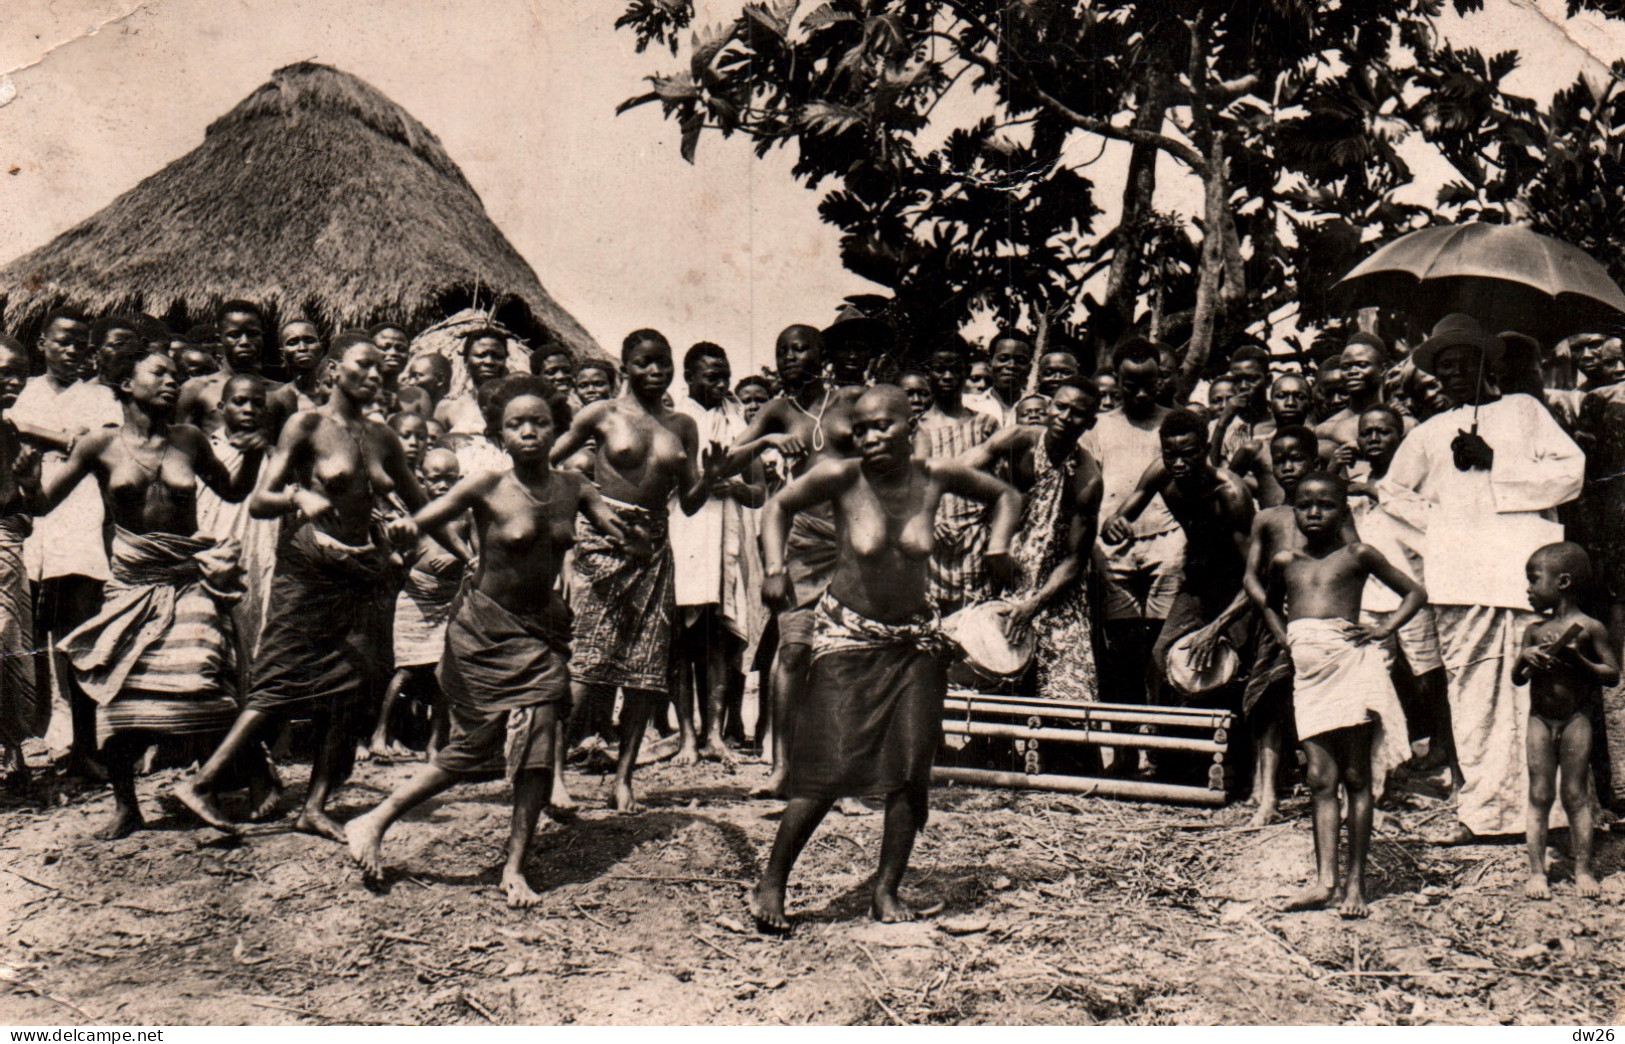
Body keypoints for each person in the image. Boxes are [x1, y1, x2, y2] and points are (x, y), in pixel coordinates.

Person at [747, 386, 1021, 930]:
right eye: (862, 428)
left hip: (915, 643)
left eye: (883, 427)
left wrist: (998, 547)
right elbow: (776, 507)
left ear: (909, 422)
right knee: (828, 767)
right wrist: (775, 568)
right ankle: (771, 884)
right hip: (847, 638)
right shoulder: (842, 477)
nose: (870, 438)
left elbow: (1007, 496)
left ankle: (886, 891)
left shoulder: (936, 475)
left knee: (912, 767)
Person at [348, 377, 627, 907]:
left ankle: (515, 866)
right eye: (517, 424)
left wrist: (630, 534)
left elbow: (617, 526)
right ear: (501, 434)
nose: (529, 432)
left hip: (542, 630)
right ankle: (375, 818)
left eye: (540, 423)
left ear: (557, 429)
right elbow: (423, 519)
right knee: (472, 748)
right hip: (483, 630)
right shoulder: (484, 485)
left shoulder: (575, 487)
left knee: (541, 739)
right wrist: (404, 531)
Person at [174, 334, 425, 840]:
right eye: (364, 367)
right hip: (308, 569)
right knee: (280, 679)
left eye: (382, 369)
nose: (376, 376)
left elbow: (422, 503)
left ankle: (314, 806)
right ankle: (203, 784)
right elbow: (260, 500)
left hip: (363, 575)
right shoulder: (305, 425)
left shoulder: (383, 437)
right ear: (334, 370)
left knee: (353, 688)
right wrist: (297, 497)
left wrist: (423, 533)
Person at [23, 350, 268, 839]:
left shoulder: (190, 440)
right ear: (125, 383)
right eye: (158, 373)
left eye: (176, 376)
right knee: (115, 688)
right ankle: (126, 806)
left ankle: (208, 786)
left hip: (186, 579)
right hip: (131, 583)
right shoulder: (100, 445)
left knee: (202, 674)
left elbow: (234, 492)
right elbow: (44, 503)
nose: (171, 382)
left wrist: (256, 451)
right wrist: (28, 482)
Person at [1379, 314, 1585, 844]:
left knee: (1538, 692)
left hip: (1525, 577)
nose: (1449, 375)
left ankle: (1554, 814)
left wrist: (1499, 464)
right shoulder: (1426, 434)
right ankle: (1485, 813)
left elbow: (1572, 471)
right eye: (1441, 367)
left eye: (1460, 364)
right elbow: (1393, 496)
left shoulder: (1524, 411)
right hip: (1462, 580)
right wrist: (1444, 532)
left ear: (1485, 365)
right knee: (1472, 693)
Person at [549, 329, 721, 812]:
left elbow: (688, 503)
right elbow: (545, 462)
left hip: (654, 550)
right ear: (624, 366)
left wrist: (712, 476)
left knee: (645, 670)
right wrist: (577, 508)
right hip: (601, 546)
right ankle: (555, 772)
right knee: (586, 662)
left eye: (663, 363)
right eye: (644, 362)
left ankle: (624, 778)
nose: (656, 371)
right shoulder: (601, 413)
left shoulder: (682, 425)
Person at [1262, 472, 1425, 918]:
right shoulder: (1285, 560)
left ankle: (1355, 884)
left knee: (1355, 776)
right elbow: (1270, 604)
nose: (1314, 513)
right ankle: (1324, 881)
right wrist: (1286, 641)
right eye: (1305, 505)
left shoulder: (1358, 555)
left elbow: (1414, 592)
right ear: (1293, 509)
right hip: (1309, 676)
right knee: (1319, 777)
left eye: (1326, 505)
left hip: (1351, 666)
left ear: (1344, 510)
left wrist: (1384, 627)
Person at [726, 325, 867, 798]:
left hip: (854, 540)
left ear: (822, 355)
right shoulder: (778, 410)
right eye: (782, 350)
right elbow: (725, 460)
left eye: (801, 348)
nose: (790, 356)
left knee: (848, 659)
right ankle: (782, 768)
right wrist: (766, 444)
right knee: (792, 652)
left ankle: (843, 774)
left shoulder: (852, 402)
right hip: (801, 542)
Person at [9, 310, 112, 776]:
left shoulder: (100, 396)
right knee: (24, 645)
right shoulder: (19, 390)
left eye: (82, 344)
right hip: (27, 536)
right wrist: (64, 440)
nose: (73, 351)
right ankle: (25, 747)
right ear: (44, 344)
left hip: (78, 529)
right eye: (64, 342)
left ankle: (86, 750)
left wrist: (33, 434)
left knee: (79, 646)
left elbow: (98, 445)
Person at [963, 379, 1103, 702]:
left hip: (1055, 595)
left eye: (1078, 413)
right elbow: (961, 469)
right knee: (992, 688)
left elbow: (1074, 561)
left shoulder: (1087, 479)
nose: (1065, 417)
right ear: (1049, 406)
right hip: (1004, 578)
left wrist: (1032, 606)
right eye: (1060, 406)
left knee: (1067, 700)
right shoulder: (1019, 440)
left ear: (1091, 423)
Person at [1104, 409, 1255, 697]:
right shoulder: (1162, 473)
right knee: (1160, 663)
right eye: (1170, 455)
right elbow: (1118, 521)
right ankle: (1156, 738)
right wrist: (1113, 527)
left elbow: (1255, 576)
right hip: (1197, 584)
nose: (1179, 464)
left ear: (1207, 450)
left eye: (1188, 454)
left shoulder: (1230, 494)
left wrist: (1216, 627)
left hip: (1238, 589)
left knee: (1231, 674)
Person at [1347, 406, 1458, 788]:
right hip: (1368, 595)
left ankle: (1444, 747)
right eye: (1367, 432)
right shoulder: (1352, 482)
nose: (1374, 438)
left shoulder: (1413, 484)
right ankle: (1386, 757)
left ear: (1401, 438)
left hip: (1413, 591)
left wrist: (1375, 491)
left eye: (1384, 431)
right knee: (1374, 675)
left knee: (1428, 674)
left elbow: (1431, 523)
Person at [668, 342, 764, 765]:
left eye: (725, 375)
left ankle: (715, 734)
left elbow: (759, 491)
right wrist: (705, 483)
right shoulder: (674, 419)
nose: (722, 384)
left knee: (719, 639)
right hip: (682, 532)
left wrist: (736, 488)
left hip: (727, 536)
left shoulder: (739, 421)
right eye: (712, 376)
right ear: (689, 377)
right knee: (678, 640)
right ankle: (686, 735)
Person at [1515, 543, 1617, 900]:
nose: (1527, 589)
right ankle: (1536, 872)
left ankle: (1583, 869)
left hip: (1576, 720)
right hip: (1539, 720)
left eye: (1533, 580)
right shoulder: (1533, 631)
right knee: (1539, 793)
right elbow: (1517, 678)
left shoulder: (1589, 628)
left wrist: (1582, 663)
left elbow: (1612, 674)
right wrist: (1523, 657)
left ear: (1563, 581)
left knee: (1575, 794)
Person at [1236, 426, 1324, 825]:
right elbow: (1251, 577)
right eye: (1281, 459)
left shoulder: (1329, 511)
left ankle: (1325, 789)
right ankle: (1268, 797)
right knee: (1269, 706)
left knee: (1320, 706)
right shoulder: (1267, 518)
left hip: (1319, 620)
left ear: (1314, 461)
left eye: (1297, 458)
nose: (1288, 467)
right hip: (1274, 623)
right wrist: (1273, 619)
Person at [1085, 338, 1179, 707]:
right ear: (1116, 381)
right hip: (1112, 545)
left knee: (1165, 640)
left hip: (1169, 540)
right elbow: (1089, 486)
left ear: (1161, 379)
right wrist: (1106, 522)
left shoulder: (1175, 423)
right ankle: (1124, 743)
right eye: (1130, 384)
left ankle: (1162, 739)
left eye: (1149, 383)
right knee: (1120, 644)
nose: (1140, 393)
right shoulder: (1098, 427)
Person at [366, 447, 467, 760]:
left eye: (450, 478)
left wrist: (455, 558)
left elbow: (478, 555)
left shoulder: (465, 515)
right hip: (415, 599)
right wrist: (402, 552)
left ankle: (436, 741)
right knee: (406, 670)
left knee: (442, 673)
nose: (443, 485)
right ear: (421, 479)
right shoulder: (413, 514)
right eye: (435, 478)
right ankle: (381, 732)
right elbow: (391, 556)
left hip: (449, 599)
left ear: (460, 479)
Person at [195, 374, 281, 702]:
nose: (248, 410)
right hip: (213, 554)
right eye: (239, 402)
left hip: (258, 554)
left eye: (257, 404)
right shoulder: (207, 451)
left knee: (255, 635)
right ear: (221, 407)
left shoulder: (276, 457)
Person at [913, 341, 1001, 616]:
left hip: (975, 541)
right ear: (928, 373)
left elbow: (999, 489)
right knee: (928, 628)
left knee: (972, 626)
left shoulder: (986, 425)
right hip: (929, 543)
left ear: (966, 372)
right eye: (940, 370)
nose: (948, 377)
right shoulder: (914, 429)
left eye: (955, 370)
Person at [0, 337, 43, 786]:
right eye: (4, 372)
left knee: (8, 641)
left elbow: (27, 499)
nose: (12, 381)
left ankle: (12, 749)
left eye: (20, 373)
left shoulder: (10, 430)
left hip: (4, 546)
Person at [175, 301, 283, 437]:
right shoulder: (196, 389)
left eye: (253, 334)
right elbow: (182, 446)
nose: (244, 341)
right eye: (234, 334)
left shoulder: (281, 393)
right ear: (220, 338)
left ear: (263, 337)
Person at [1223, 374, 1313, 507]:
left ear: (1310, 404)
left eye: (1299, 397)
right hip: (1269, 524)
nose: (1290, 403)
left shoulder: (1324, 447)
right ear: (1271, 403)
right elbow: (1225, 488)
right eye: (1281, 396)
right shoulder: (1255, 449)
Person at [1316, 334, 1396, 450]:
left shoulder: (1404, 422)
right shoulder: (1326, 430)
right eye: (1345, 367)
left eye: (1362, 365)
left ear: (1383, 370)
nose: (1352, 371)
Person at [435, 329, 511, 438]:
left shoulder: (514, 408)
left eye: (497, 356)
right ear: (466, 362)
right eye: (481, 355)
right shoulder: (448, 408)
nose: (489, 361)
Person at [368, 323, 413, 418]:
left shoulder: (417, 396)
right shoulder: (356, 392)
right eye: (385, 348)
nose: (393, 353)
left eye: (401, 349)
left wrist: (398, 409)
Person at [399, 353, 453, 422]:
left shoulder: (453, 412)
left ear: (440, 379)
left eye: (417, 376)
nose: (410, 382)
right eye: (410, 377)